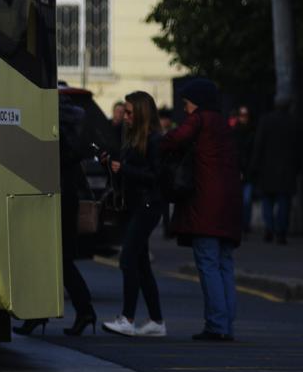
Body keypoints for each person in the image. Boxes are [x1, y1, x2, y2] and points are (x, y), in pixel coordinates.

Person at [161, 77, 244, 341]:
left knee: (207, 264)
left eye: (186, 103)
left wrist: (156, 143)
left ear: (196, 102)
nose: (184, 109)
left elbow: (175, 140)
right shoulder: (223, 123)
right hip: (230, 205)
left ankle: (216, 325)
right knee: (225, 265)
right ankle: (226, 325)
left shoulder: (200, 119)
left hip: (206, 205)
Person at [18, 98, 98, 337]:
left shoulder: (55, 132)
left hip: (55, 198)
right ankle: (67, 312)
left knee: (54, 259)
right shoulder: (70, 130)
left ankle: (78, 311)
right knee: (55, 259)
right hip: (63, 197)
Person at [103, 91, 167, 337]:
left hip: (148, 206)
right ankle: (156, 320)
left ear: (141, 114)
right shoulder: (133, 138)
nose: (125, 116)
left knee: (127, 259)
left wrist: (125, 169)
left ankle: (127, 318)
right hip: (136, 205)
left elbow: (155, 177)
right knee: (141, 264)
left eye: (129, 112)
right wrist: (110, 165)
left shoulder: (154, 141)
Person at [250, 103, 299, 244]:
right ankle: (281, 230)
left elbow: (258, 145)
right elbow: (297, 147)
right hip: (286, 170)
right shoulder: (292, 122)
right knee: (284, 201)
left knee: (267, 200)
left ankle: (270, 227)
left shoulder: (266, 121)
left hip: (267, 169)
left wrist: (254, 166)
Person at [230, 104, 256, 235]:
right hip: (239, 171)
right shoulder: (235, 132)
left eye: (245, 116)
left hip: (247, 172)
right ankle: (241, 224)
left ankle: (244, 225)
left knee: (246, 201)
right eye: (241, 116)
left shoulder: (252, 132)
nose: (243, 118)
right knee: (242, 201)